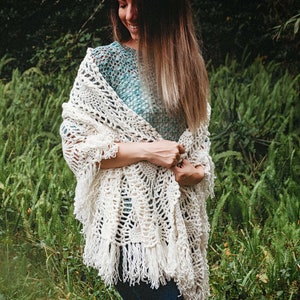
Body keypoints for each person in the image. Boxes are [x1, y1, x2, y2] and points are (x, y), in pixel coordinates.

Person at [60, 0, 214, 299]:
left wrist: (197, 172)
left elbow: (199, 145)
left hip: (179, 225)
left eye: (139, 4)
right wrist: (148, 151)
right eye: (122, 4)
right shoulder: (103, 63)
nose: (129, 15)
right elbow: (76, 148)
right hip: (131, 228)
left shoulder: (189, 63)